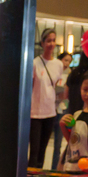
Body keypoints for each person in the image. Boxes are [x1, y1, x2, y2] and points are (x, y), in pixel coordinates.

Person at [30, 29, 62, 169]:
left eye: (53, 40)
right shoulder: (34, 63)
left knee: (43, 149)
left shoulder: (58, 64)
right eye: (48, 40)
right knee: (34, 150)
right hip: (35, 112)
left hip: (50, 111)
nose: (51, 43)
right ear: (42, 43)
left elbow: (55, 85)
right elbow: (30, 87)